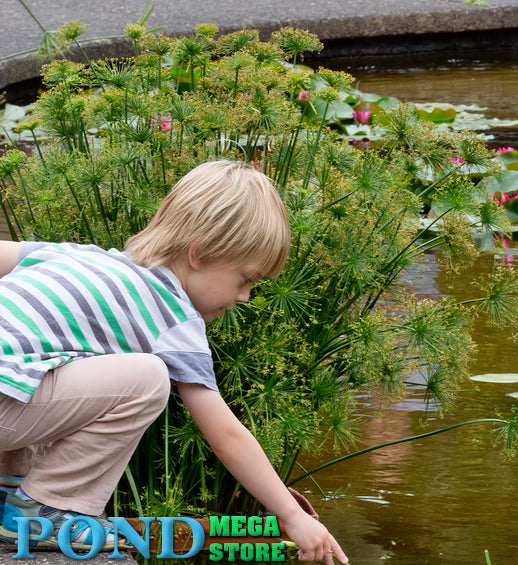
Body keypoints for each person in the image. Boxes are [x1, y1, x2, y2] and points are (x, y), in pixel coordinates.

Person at [0, 159, 347, 563]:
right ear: (198, 255)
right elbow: (225, 434)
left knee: (46, 357)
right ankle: (46, 510)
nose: (245, 298)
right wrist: (290, 514)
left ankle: (12, 490)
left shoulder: (81, 256)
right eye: (246, 279)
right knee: (148, 378)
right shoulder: (175, 318)